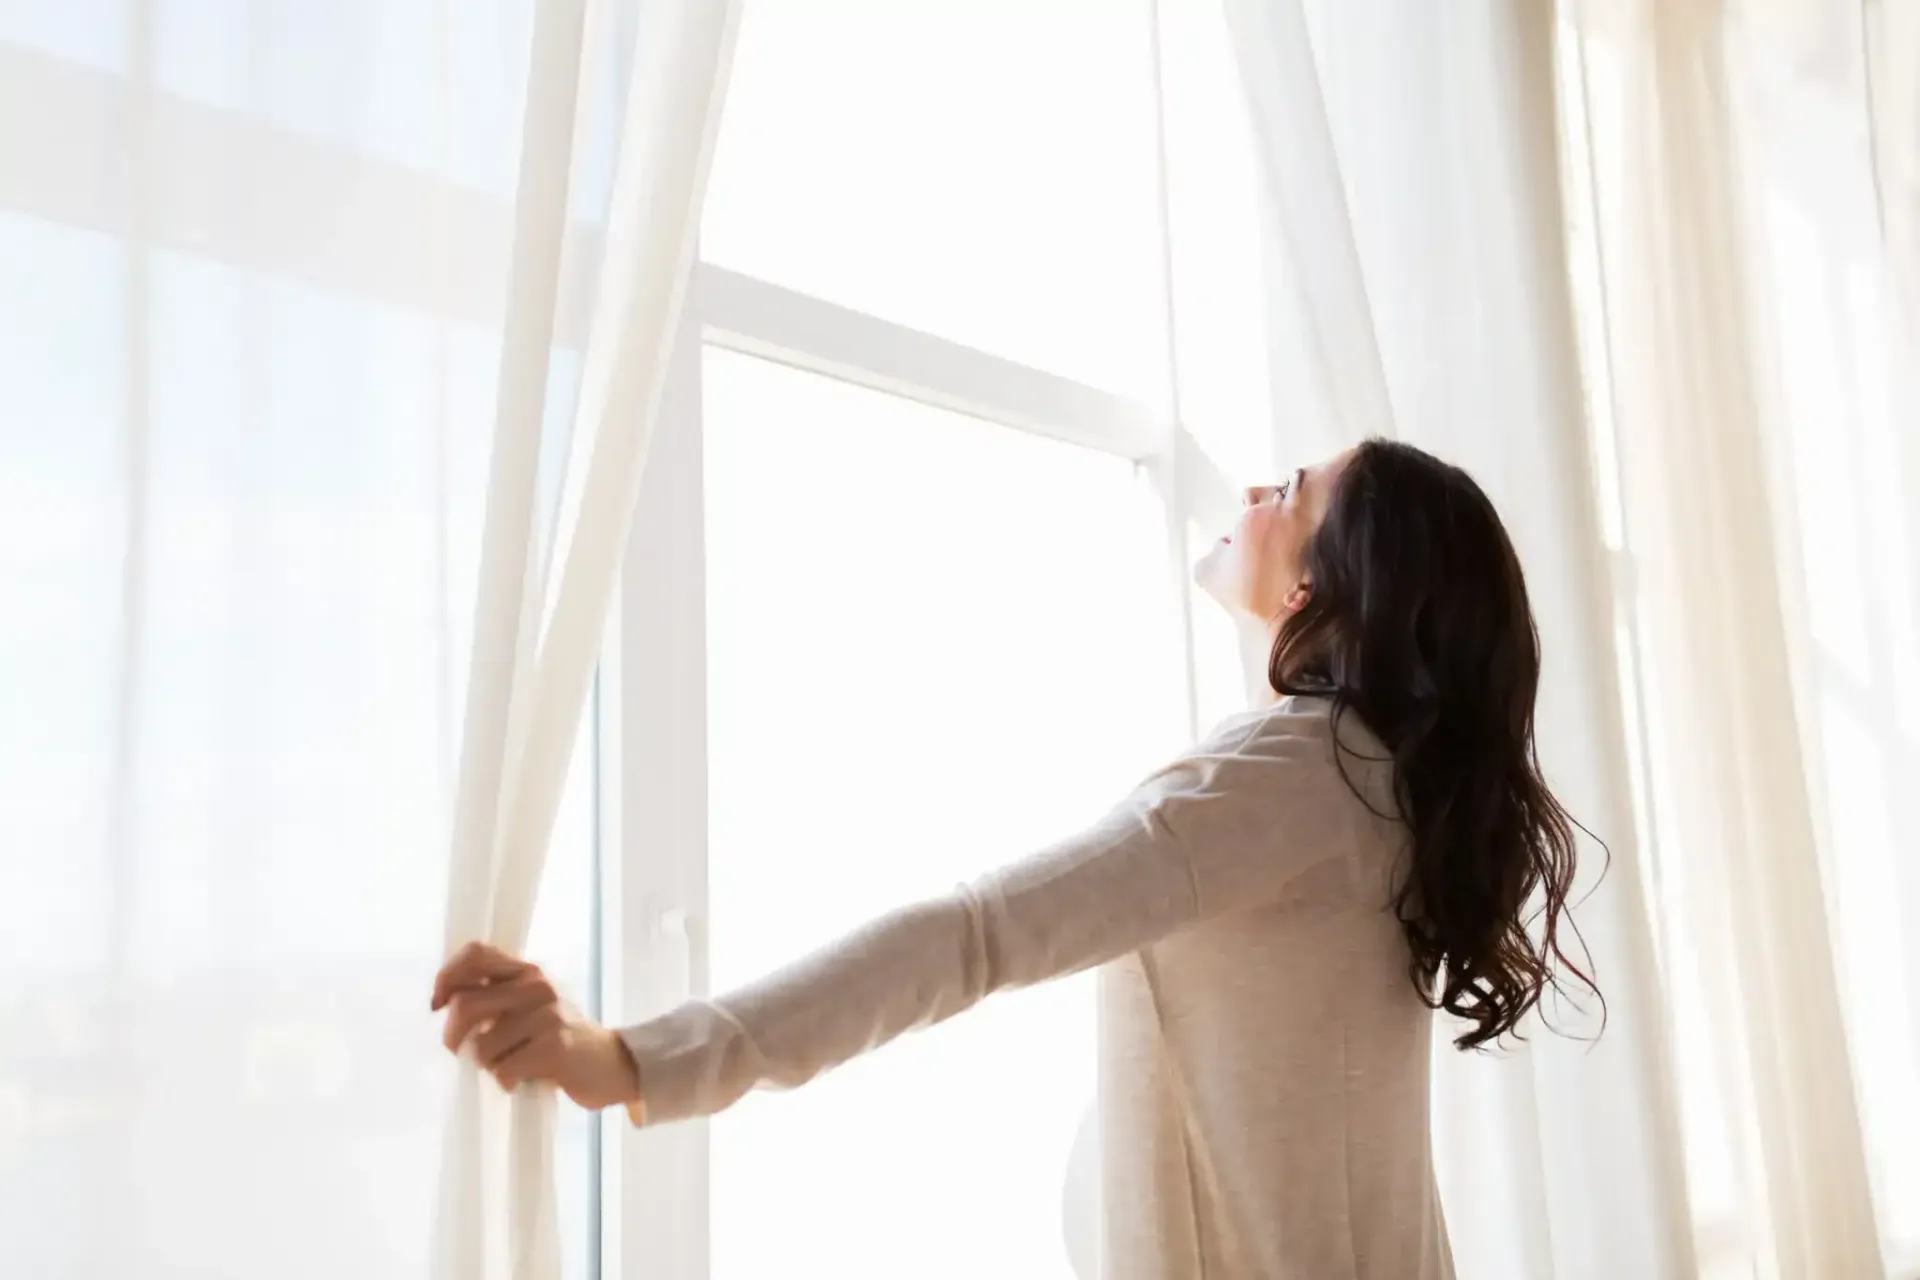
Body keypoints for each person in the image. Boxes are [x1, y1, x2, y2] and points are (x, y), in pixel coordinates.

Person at [432, 437, 1597, 1280]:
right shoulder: (1378, 784)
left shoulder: (1292, 777)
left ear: (1314, 584)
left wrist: (636, 1059)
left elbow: (976, 933)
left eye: (1291, 487)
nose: (1254, 486)